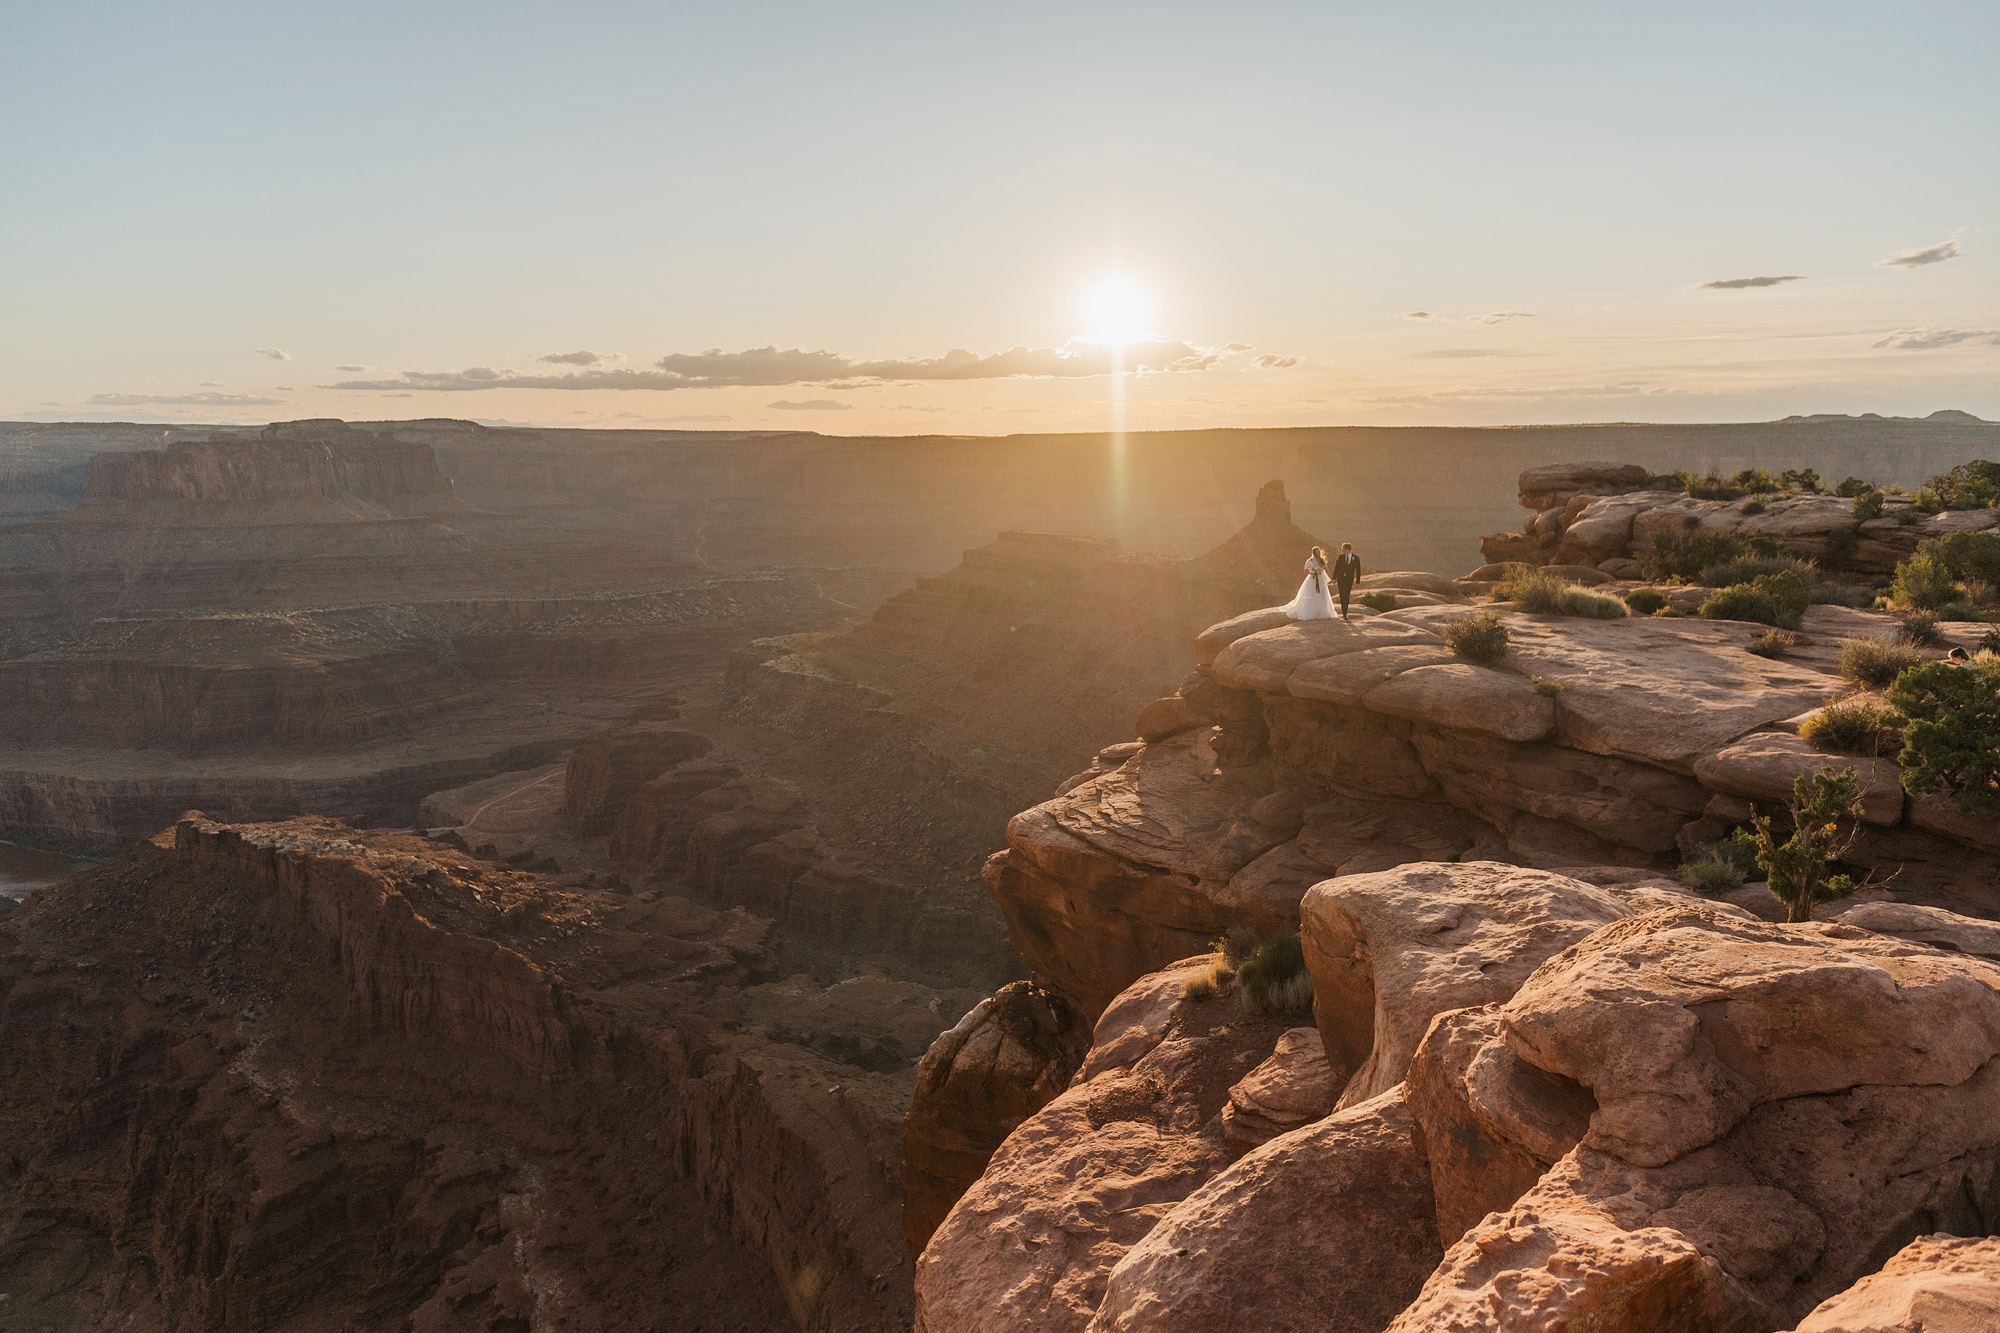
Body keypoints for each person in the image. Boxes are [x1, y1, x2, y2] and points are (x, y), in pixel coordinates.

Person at [1282, 546, 1337, 621]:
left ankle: (1323, 612)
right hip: (1312, 579)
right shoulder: (1310, 560)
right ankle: (1310, 613)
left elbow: (1325, 569)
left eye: (1319, 551)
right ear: (1313, 552)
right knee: (1311, 594)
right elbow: (1305, 570)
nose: (1318, 553)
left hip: (1321, 579)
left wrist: (1330, 578)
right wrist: (1312, 573)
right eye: (1316, 552)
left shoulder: (1322, 560)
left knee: (1323, 594)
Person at [1332, 542, 1361, 619]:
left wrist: (1357, 582)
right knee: (1342, 595)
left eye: (1343, 548)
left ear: (1347, 549)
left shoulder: (1355, 558)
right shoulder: (1340, 557)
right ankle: (1344, 613)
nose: (1342, 550)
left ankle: (1345, 612)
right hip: (1341, 579)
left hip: (1349, 579)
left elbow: (1358, 571)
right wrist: (1334, 578)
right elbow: (1336, 567)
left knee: (1347, 595)